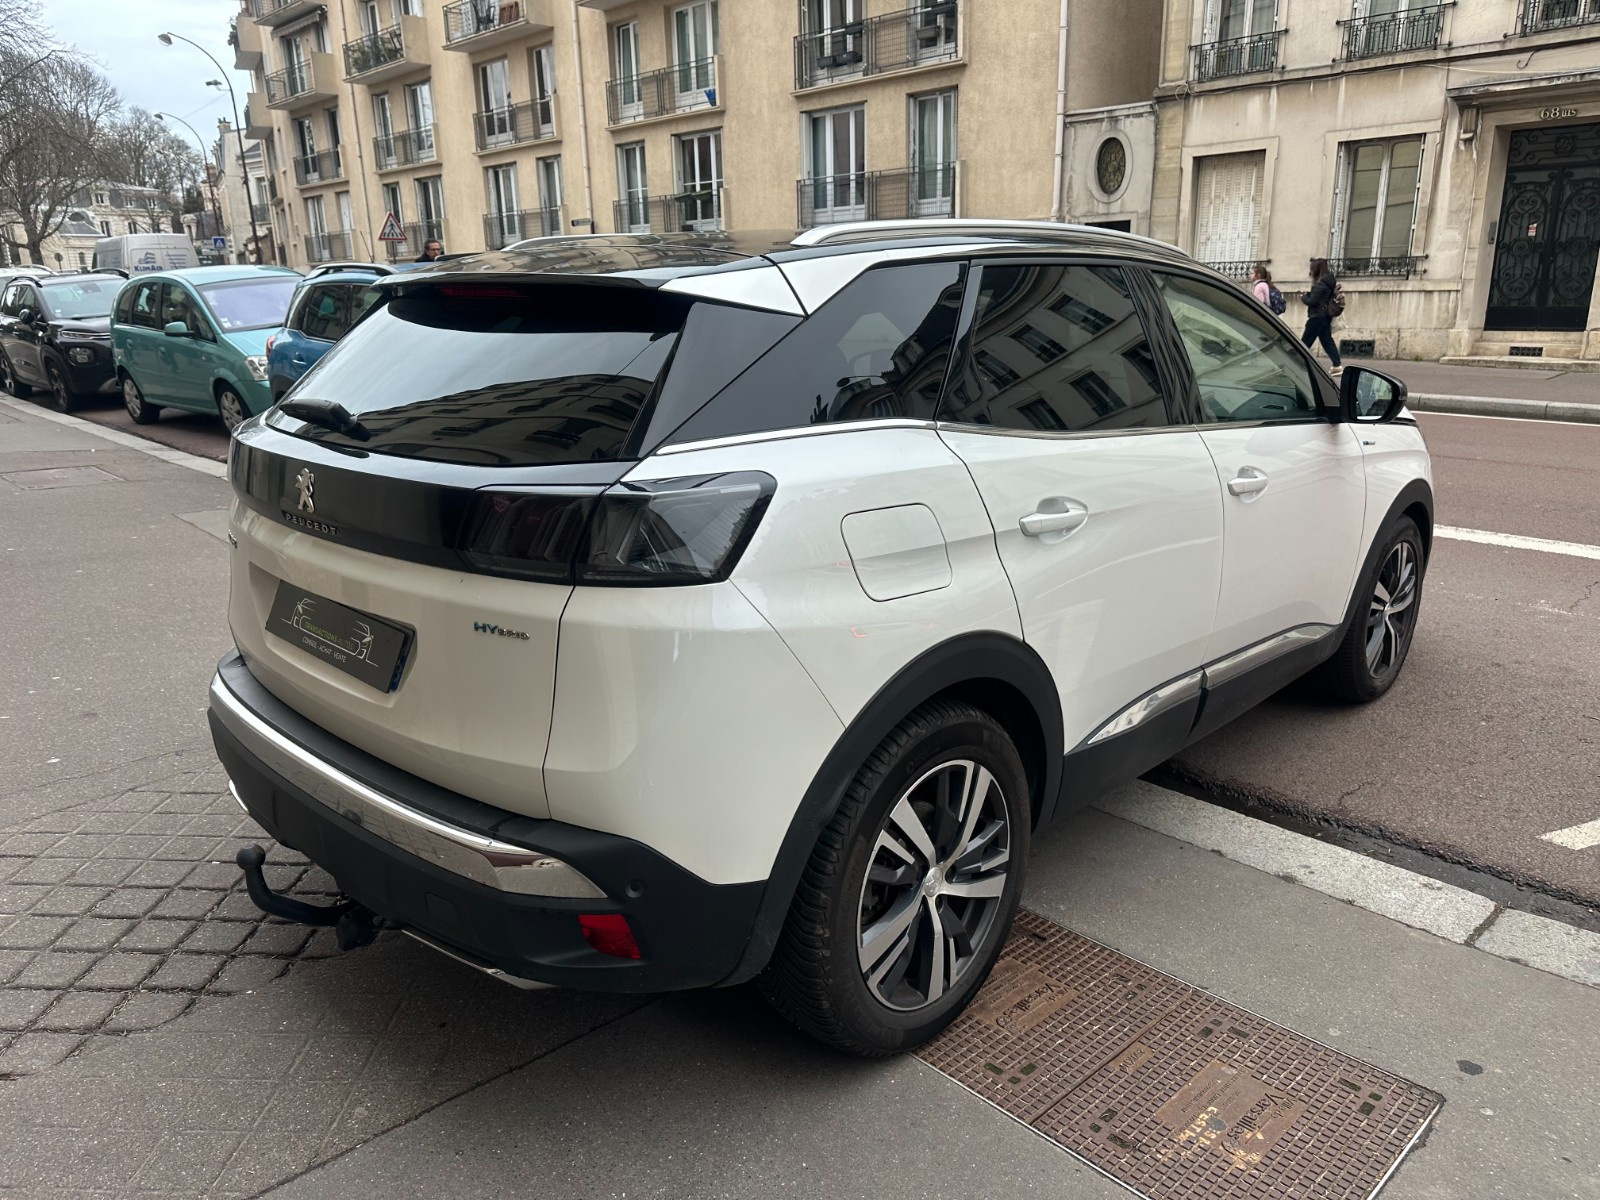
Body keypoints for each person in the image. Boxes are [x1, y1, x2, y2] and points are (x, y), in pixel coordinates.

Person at [1301, 257, 1341, 372]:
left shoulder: (1320, 284)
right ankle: (1337, 365)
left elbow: (1312, 301)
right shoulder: (1329, 283)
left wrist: (1303, 297)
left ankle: (1298, 362)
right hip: (1325, 316)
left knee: (1305, 342)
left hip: (1317, 316)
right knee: (1327, 341)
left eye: (1312, 269)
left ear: (1316, 270)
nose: (1310, 272)